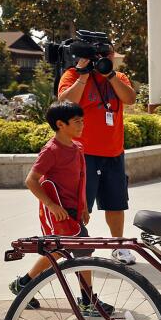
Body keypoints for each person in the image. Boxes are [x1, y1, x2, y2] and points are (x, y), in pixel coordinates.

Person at [8, 101, 114, 317]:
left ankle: (23, 284)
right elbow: (32, 180)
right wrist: (52, 205)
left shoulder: (77, 147)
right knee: (84, 249)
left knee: (56, 251)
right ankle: (87, 301)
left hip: (73, 211)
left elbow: (81, 179)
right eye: (77, 122)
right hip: (59, 213)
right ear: (60, 124)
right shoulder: (51, 150)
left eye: (82, 121)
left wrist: (84, 205)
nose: (82, 125)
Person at [58, 44, 138, 265]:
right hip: (83, 155)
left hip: (113, 153)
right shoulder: (73, 74)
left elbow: (130, 99)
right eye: (100, 54)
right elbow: (66, 104)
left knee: (116, 203)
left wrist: (110, 75)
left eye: (108, 53)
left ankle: (118, 246)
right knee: (81, 206)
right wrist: (83, 75)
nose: (105, 57)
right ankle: (75, 247)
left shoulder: (118, 76)